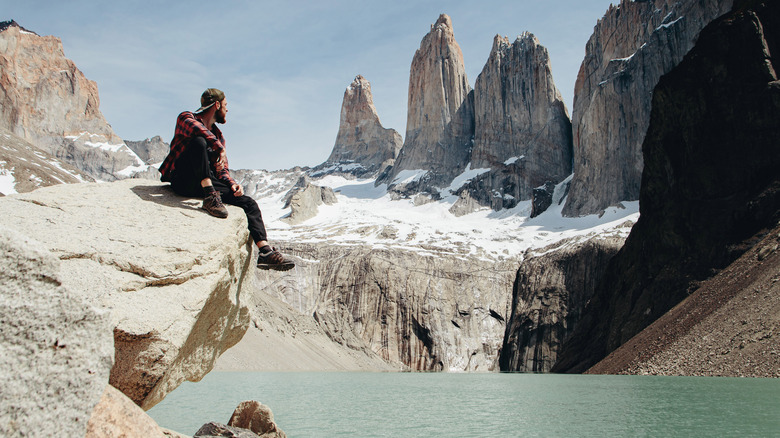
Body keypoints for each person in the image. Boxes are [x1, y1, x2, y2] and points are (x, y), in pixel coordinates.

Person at [159, 88, 294, 271]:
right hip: (184, 178)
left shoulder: (219, 135)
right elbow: (195, 129)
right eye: (225, 105)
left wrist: (231, 184)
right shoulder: (186, 117)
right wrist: (217, 146)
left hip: (207, 181)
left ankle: (265, 252)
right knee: (199, 142)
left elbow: (221, 169)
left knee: (248, 203)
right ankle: (209, 196)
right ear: (216, 105)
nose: (227, 110)